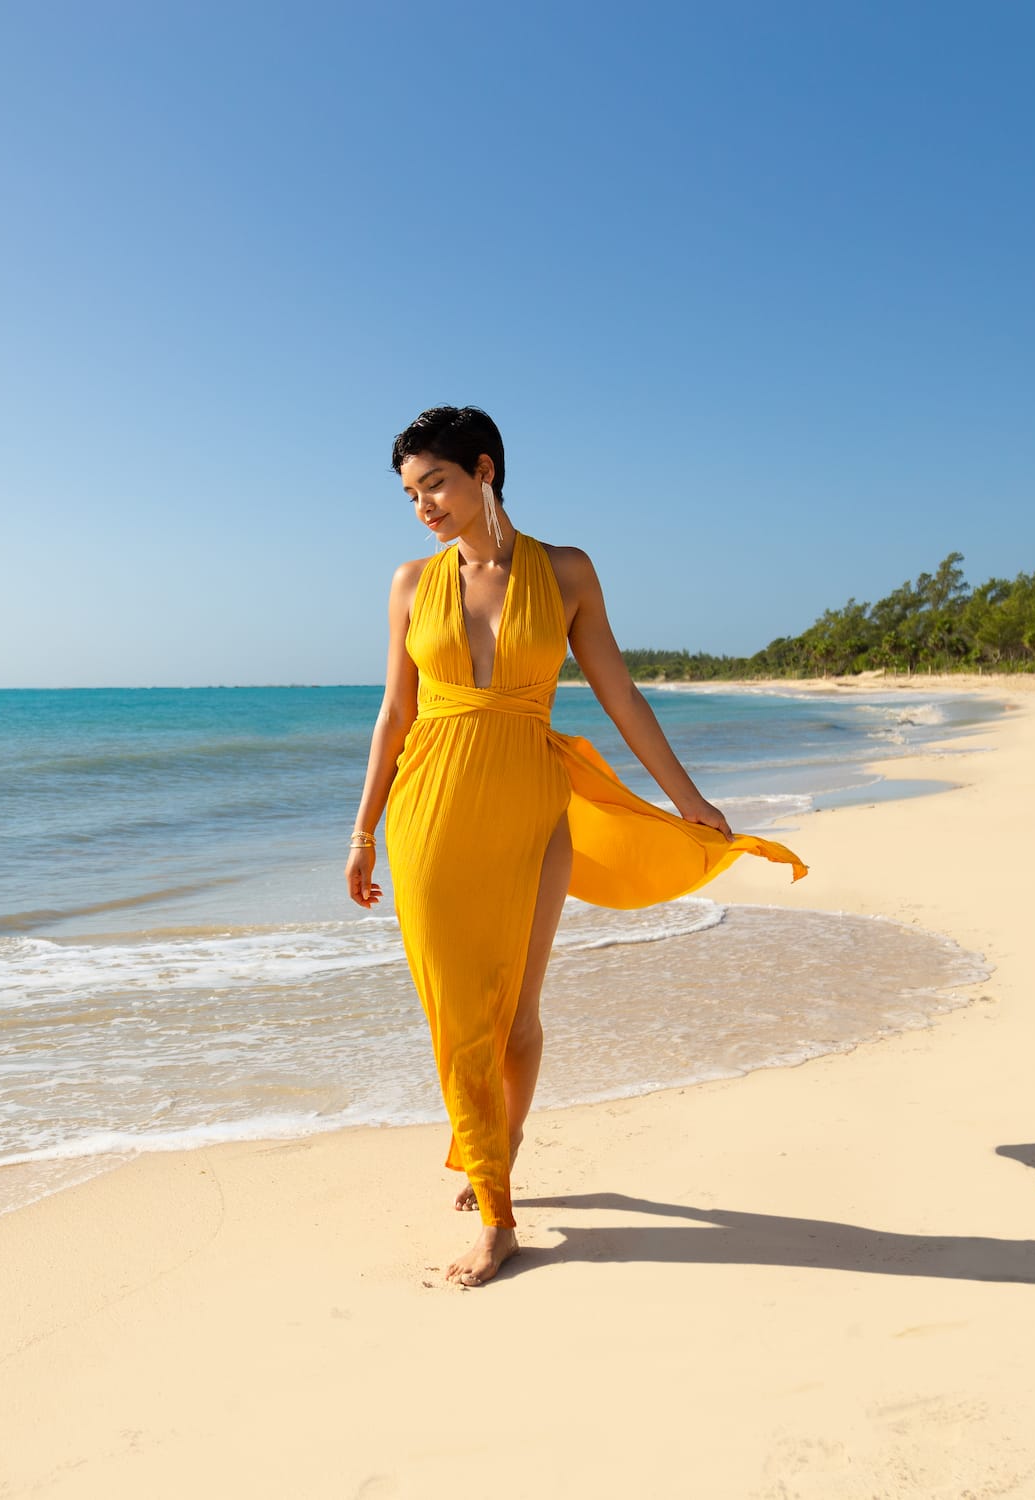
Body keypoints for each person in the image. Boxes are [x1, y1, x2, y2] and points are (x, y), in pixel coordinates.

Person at [344, 405, 808, 1288]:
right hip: (431, 807)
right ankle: (497, 1213)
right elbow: (396, 713)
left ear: (484, 470)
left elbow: (622, 697)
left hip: (533, 800)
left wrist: (691, 800)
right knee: (457, 1014)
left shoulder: (567, 572)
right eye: (409, 493)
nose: (422, 507)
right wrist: (362, 831)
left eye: (434, 483)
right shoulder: (411, 582)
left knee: (517, 1010)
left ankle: (498, 1147)